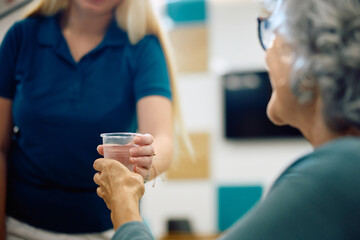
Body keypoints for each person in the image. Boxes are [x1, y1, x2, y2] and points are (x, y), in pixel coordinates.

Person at [93, 0, 360, 239]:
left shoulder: (337, 171)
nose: (266, 55)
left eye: (273, 32)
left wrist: (125, 206)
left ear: (311, 55)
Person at [0, 0, 189, 239]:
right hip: (19, 225)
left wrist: (145, 160)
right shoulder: (22, 36)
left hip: (105, 229)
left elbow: (163, 140)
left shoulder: (141, 46)